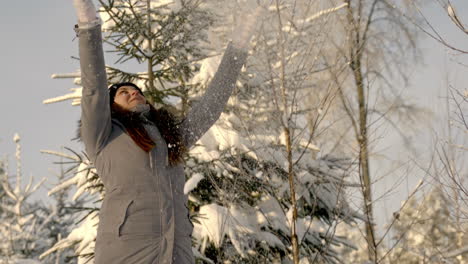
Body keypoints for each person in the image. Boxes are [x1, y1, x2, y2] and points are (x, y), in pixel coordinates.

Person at [72, 0, 257, 263]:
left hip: (176, 251)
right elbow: (94, 89)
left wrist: (239, 45)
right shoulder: (104, 134)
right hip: (126, 250)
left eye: (137, 90)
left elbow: (212, 105)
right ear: (111, 107)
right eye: (124, 92)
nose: (133, 92)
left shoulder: (170, 136)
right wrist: (89, 23)